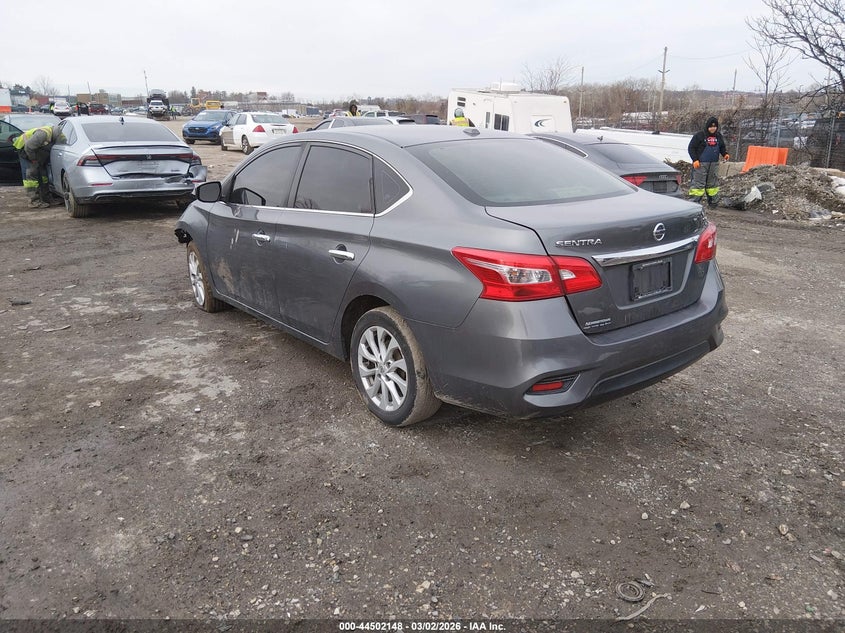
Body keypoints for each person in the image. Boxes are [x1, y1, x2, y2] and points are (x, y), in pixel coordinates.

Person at [13, 125, 62, 208]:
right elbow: (28, 147)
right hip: (24, 149)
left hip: (34, 150)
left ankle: (46, 199)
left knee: (43, 175)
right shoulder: (43, 134)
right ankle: (34, 201)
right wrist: (33, 160)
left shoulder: (55, 134)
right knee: (32, 173)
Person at [688, 116, 729, 208]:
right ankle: (694, 204)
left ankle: (713, 203)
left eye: (714, 127)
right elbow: (691, 148)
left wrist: (725, 154)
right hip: (701, 164)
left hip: (714, 164)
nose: (713, 128)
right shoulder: (699, 135)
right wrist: (695, 160)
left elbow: (722, 147)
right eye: (711, 127)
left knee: (712, 185)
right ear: (707, 127)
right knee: (698, 184)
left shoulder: (718, 136)